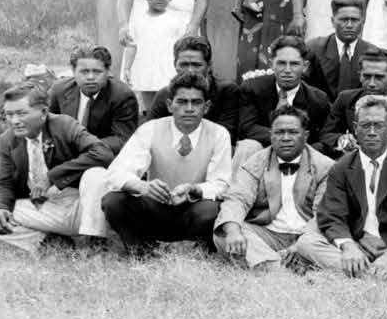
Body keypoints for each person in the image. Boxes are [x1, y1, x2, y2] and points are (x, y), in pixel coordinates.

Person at [296, 95, 387, 276]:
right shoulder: (341, 167)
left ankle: (361, 273)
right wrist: (349, 247)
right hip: (357, 243)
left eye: (378, 125)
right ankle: (379, 273)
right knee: (306, 243)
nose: (372, 131)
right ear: (355, 129)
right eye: (365, 125)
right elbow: (332, 214)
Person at [100, 73, 235, 256]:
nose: (189, 109)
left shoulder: (219, 134)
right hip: (156, 208)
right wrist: (143, 187)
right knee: (113, 201)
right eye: (182, 102)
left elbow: (221, 184)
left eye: (196, 102)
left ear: (207, 106)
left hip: (192, 210)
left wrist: (193, 189)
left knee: (211, 209)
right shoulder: (151, 129)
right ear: (170, 105)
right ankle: (141, 250)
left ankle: (199, 250)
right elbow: (115, 174)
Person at [0, 83, 114, 253]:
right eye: (9, 114)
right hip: (44, 208)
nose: (15, 121)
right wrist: (0, 208)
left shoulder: (64, 125)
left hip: (80, 207)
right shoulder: (7, 140)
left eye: (22, 113)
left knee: (96, 174)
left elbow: (102, 153)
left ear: (44, 112)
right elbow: (4, 182)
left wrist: (51, 177)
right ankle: (51, 243)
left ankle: (95, 243)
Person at [211, 106, 333, 269]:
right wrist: (233, 231)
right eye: (279, 132)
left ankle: (268, 265)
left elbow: (323, 215)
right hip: (269, 234)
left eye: (293, 132)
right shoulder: (256, 162)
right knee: (224, 233)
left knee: (316, 244)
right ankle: (280, 269)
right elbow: (237, 199)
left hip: (309, 237)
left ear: (306, 135)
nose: (286, 138)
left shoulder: (325, 166)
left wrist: (301, 244)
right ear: (271, 135)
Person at [235, 36, 333, 155]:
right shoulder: (252, 89)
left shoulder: (318, 99)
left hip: (300, 156)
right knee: (248, 146)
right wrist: (284, 137)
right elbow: (247, 128)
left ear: (305, 67)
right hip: (261, 151)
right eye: (281, 63)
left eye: (294, 64)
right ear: (271, 64)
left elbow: (324, 137)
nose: (287, 70)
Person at [318, 49, 387, 157]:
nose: (372, 84)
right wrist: (341, 140)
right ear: (360, 76)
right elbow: (327, 133)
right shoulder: (345, 99)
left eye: (379, 77)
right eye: (367, 76)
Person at [49, 45, 140, 151]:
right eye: (84, 72)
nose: (90, 77)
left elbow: (122, 140)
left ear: (107, 71)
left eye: (97, 72)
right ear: (73, 71)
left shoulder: (123, 96)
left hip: (103, 156)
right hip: (66, 154)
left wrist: (83, 145)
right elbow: (49, 129)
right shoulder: (59, 90)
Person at [303, 0, 380, 98]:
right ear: (332, 21)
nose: (349, 25)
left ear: (363, 22)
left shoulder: (373, 53)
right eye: (343, 20)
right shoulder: (314, 49)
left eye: (355, 20)